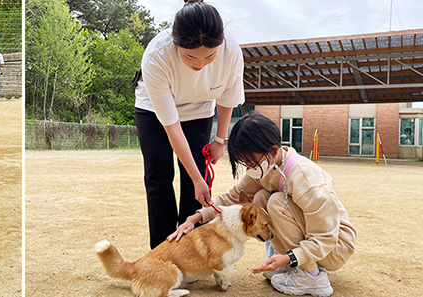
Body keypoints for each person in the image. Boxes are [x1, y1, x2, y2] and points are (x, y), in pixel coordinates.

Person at [169, 111, 357, 297]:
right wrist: (195, 218)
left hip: (334, 248)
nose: (249, 168)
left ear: (274, 149)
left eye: (251, 162)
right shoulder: (267, 167)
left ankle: (313, 277)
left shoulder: (306, 179)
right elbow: (232, 197)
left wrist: (287, 258)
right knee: (260, 199)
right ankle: (297, 267)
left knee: (274, 202)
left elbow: (325, 237)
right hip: (314, 240)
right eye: (244, 163)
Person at [133, 0, 244, 249]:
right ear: (174, 39)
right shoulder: (156, 55)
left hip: (200, 108)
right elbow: (172, 128)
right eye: (190, 56)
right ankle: (162, 250)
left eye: (210, 56)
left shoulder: (232, 52)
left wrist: (220, 140)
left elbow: (228, 98)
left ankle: (192, 250)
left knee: (195, 181)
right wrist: (197, 178)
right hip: (154, 109)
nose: (200, 64)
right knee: (159, 174)